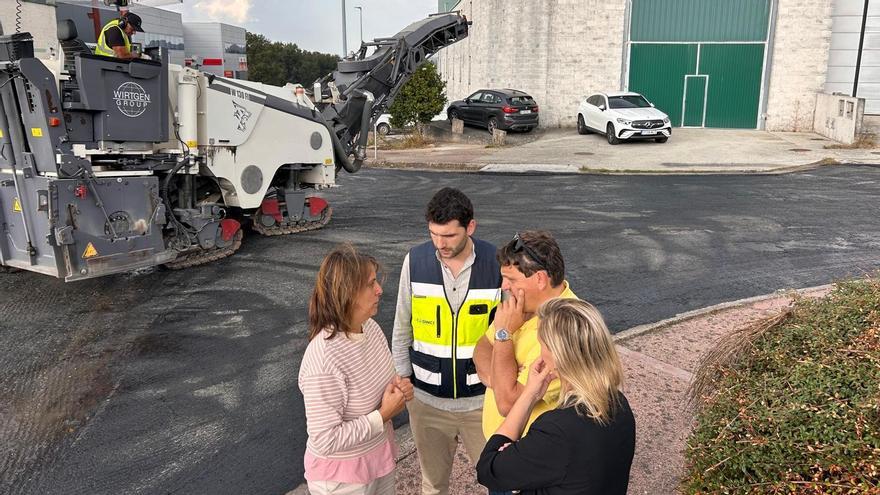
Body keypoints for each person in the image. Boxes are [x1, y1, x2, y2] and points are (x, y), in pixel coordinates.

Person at [392, 187, 501, 495]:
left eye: (450, 236)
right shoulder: (414, 262)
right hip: (426, 404)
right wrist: (403, 381)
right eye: (433, 235)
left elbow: (512, 333)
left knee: (500, 482)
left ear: (471, 227)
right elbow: (402, 326)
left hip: (483, 404)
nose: (440, 244)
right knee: (434, 485)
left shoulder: (496, 264)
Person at [476, 298, 636, 494]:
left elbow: (488, 469)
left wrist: (528, 396)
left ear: (558, 355)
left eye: (541, 343)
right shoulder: (618, 403)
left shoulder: (558, 430)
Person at [299, 244, 414, 495]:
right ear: (347, 293)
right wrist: (383, 415)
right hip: (342, 480)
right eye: (371, 283)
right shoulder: (324, 360)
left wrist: (397, 388)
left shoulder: (370, 328)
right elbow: (325, 440)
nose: (380, 290)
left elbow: (379, 380)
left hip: (378, 458)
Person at [472, 231, 578, 495]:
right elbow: (481, 348)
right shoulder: (520, 308)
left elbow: (508, 403)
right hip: (504, 450)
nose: (503, 287)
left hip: (526, 467)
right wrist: (500, 377)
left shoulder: (565, 328)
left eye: (510, 279)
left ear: (539, 278)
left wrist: (504, 337)